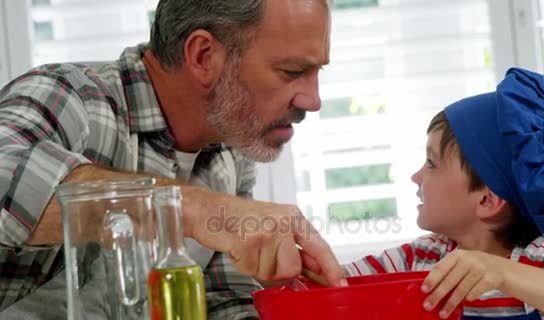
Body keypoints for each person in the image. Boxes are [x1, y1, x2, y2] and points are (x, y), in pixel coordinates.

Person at [0, 0, 345, 318]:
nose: (313, 101)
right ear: (203, 56)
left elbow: (220, 301)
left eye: (318, 72)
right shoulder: (73, 99)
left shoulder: (227, 154)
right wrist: (193, 209)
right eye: (290, 71)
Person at [343, 68, 544, 319]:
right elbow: (333, 285)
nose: (416, 176)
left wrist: (501, 272)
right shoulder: (424, 256)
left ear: (487, 200)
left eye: (432, 163)